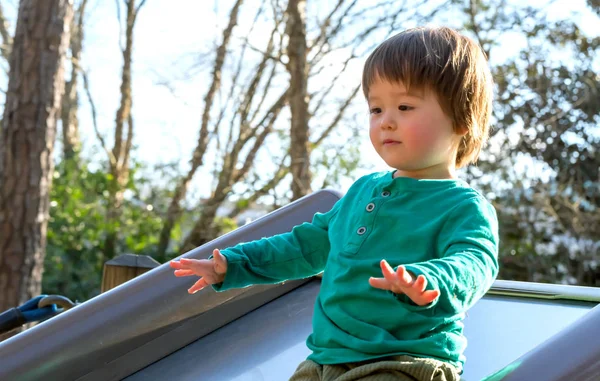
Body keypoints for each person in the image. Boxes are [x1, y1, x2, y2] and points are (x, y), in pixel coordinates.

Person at [170, 26, 499, 381]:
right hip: (326, 359)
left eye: (404, 106)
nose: (386, 121)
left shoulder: (463, 206)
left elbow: (474, 263)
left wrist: (431, 280)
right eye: (376, 109)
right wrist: (235, 264)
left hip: (405, 363)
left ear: (462, 119)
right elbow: (305, 246)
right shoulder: (363, 191)